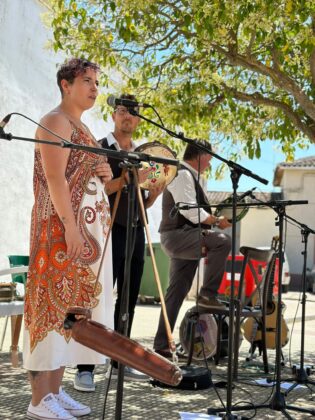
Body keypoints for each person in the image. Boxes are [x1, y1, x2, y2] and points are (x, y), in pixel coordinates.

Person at [23, 58, 114, 420]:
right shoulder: (55, 122)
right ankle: (38, 400)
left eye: (96, 81)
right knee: (52, 307)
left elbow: (85, 175)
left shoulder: (84, 128)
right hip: (59, 232)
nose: (94, 88)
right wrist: (72, 228)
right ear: (66, 84)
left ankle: (55, 393)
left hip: (83, 233)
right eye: (87, 81)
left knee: (72, 312)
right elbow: (55, 179)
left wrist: (104, 172)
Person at [74, 94, 164, 390]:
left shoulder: (144, 153)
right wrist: (125, 179)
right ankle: (84, 367)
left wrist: (156, 192)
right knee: (97, 296)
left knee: (128, 298)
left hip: (136, 229)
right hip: (105, 231)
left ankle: (120, 359)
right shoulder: (99, 148)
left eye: (134, 113)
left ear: (139, 120)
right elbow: (94, 191)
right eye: (123, 111)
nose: (128, 117)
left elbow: (144, 201)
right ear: (114, 115)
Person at [153, 140, 232, 358]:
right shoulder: (182, 174)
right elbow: (188, 210)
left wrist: (213, 220)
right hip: (178, 236)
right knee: (222, 241)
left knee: (176, 292)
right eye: (209, 157)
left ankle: (161, 344)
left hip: (186, 237)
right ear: (199, 154)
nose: (211, 162)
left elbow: (195, 212)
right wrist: (216, 221)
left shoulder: (195, 178)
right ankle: (207, 295)